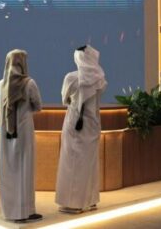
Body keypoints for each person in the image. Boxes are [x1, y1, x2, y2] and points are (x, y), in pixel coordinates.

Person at [56, 45, 107, 214]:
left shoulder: (71, 78)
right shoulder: (100, 78)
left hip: (75, 123)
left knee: (72, 162)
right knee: (89, 162)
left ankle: (73, 203)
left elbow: (64, 99)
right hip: (93, 123)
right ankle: (90, 200)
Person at [0, 50, 43, 223]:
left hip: (6, 133)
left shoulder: (1, 84)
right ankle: (24, 211)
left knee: (9, 169)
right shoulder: (29, 83)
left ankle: (11, 211)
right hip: (24, 131)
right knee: (25, 169)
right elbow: (38, 106)